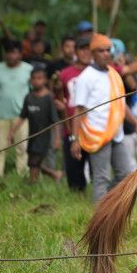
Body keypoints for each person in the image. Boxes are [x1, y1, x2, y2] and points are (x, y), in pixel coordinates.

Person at [71, 33, 137, 202]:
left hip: (116, 134)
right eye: (101, 51)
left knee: (126, 174)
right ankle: (99, 220)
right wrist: (75, 140)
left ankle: (106, 203)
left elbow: (121, 105)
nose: (106, 54)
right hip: (97, 135)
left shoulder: (113, 73)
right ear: (92, 54)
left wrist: (136, 124)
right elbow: (78, 110)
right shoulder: (85, 77)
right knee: (101, 178)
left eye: (108, 50)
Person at [0, 40, 33, 178]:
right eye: (8, 52)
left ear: (20, 54)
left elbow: (33, 92)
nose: (11, 56)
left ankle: (22, 175)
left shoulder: (28, 69)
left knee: (22, 148)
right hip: (0, 114)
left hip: (22, 116)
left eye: (14, 52)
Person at [9, 68, 62, 183]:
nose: (36, 81)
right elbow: (22, 116)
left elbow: (55, 120)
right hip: (32, 136)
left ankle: (46, 177)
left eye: (39, 78)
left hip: (44, 136)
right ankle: (39, 179)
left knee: (35, 162)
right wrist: (12, 131)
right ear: (30, 80)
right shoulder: (29, 97)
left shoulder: (48, 98)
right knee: (32, 162)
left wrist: (57, 138)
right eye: (34, 78)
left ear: (45, 80)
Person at [59, 36, 91, 192]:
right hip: (71, 127)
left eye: (88, 49)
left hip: (93, 128)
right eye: (82, 49)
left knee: (97, 168)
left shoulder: (97, 72)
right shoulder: (64, 74)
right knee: (73, 169)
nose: (86, 53)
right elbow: (59, 99)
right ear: (76, 51)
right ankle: (76, 197)